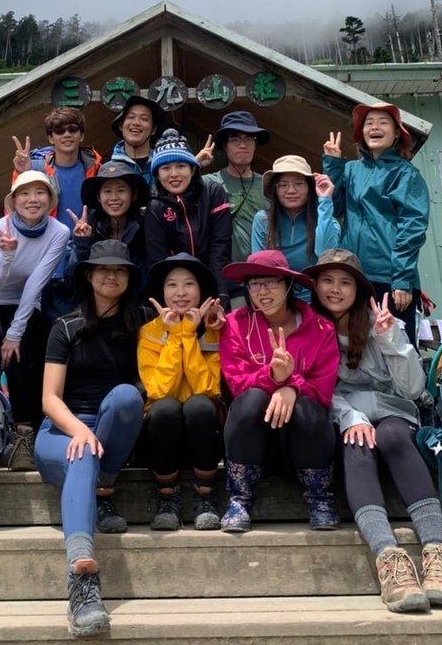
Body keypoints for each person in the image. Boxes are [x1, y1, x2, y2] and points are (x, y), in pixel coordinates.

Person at [306, 248, 442, 614]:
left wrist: (391, 339)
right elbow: (318, 390)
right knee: (355, 445)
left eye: (345, 282)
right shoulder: (310, 329)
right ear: (315, 287)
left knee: (392, 435)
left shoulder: (381, 322)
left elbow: (410, 390)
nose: (335, 289)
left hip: (394, 414)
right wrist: (349, 416)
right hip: (345, 421)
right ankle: (390, 561)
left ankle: (437, 553)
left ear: (359, 290)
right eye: (327, 281)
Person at [34, 240, 151, 638]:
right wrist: (78, 430)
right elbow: (49, 398)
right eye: (103, 269)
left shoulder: (141, 321)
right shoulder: (65, 326)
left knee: (126, 397)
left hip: (111, 428)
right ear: (89, 275)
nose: (111, 276)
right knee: (80, 453)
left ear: (128, 278)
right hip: (62, 430)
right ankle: (82, 579)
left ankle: (103, 486)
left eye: (120, 270)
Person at [218, 249, 339, 533]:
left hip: (300, 444)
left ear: (288, 285)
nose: (262, 291)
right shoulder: (235, 324)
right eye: (255, 284)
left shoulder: (321, 328)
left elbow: (323, 391)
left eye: (271, 282)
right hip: (253, 441)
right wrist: (275, 377)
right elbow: (237, 383)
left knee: (307, 407)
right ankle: (240, 497)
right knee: (252, 400)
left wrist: (292, 386)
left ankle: (319, 497)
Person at [0, 171, 70, 468]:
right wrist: (7, 256)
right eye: (24, 193)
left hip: (26, 301)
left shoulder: (59, 232)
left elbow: (35, 284)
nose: (32, 199)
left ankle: (24, 436)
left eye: (40, 193)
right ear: (13, 201)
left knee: (25, 353)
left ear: (50, 200)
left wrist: (14, 334)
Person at [323, 102, 429, 347]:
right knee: (355, 346)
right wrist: (333, 164)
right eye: (369, 123)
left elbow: (412, 226)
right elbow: (336, 208)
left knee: (396, 346)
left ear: (396, 134)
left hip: (390, 277)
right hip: (354, 274)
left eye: (383, 122)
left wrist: (402, 278)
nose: (374, 127)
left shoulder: (405, 173)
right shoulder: (350, 169)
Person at [138, 254, 225, 531]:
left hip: (205, 435)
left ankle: (206, 495)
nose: (180, 293)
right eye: (172, 285)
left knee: (199, 405)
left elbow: (207, 389)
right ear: (162, 293)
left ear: (201, 292)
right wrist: (177, 335)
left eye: (189, 284)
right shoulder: (149, 332)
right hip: (163, 437)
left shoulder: (215, 331)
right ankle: (167, 497)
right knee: (164, 407)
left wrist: (188, 334)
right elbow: (160, 390)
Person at [12, 107, 102, 325]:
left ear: (82, 135)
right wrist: (21, 173)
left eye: (73, 130)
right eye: (60, 131)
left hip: (83, 256)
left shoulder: (98, 169)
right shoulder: (35, 169)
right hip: (45, 256)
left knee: (80, 327)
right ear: (50, 138)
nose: (67, 135)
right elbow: (17, 206)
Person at [144, 128, 233, 308]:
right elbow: (159, 261)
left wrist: (220, 297)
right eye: (166, 168)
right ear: (157, 175)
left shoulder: (213, 192)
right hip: (177, 296)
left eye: (181, 166)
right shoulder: (154, 207)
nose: (174, 174)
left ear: (193, 169)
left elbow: (220, 248)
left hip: (212, 288)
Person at [251, 156, 340, 286]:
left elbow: (326, 255)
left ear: (310, 187)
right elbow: (258, 266)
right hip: (276, 295)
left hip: (314, 295)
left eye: (299, 183)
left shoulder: (325, 220)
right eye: (283, 185)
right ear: (275, 190)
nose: (291, 191)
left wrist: (325, 200)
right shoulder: (263, 219)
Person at [199, 110, 270, 265]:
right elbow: (175, 192)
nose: (243, 145)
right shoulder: (209, 183)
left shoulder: (268, 184)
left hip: (260, 273)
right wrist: (194, 165)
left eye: (249, 139)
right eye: (235, 139)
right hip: (219, 272)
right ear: (225, 145)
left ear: (255, 144)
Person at [67, 159, 150, 284]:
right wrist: (82, 243)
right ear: (98, 197)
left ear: (133, 195)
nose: (114, 198)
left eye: (121, 190)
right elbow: (73, 277)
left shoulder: (147, 224)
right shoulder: (90, 226)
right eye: (107, 191)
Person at [109, 94, 168, 185]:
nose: (136, 123)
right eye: (131, 117)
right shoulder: (108, 170)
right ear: (121, 126)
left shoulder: (165, 166)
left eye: (144, 119)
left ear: (154, 129)